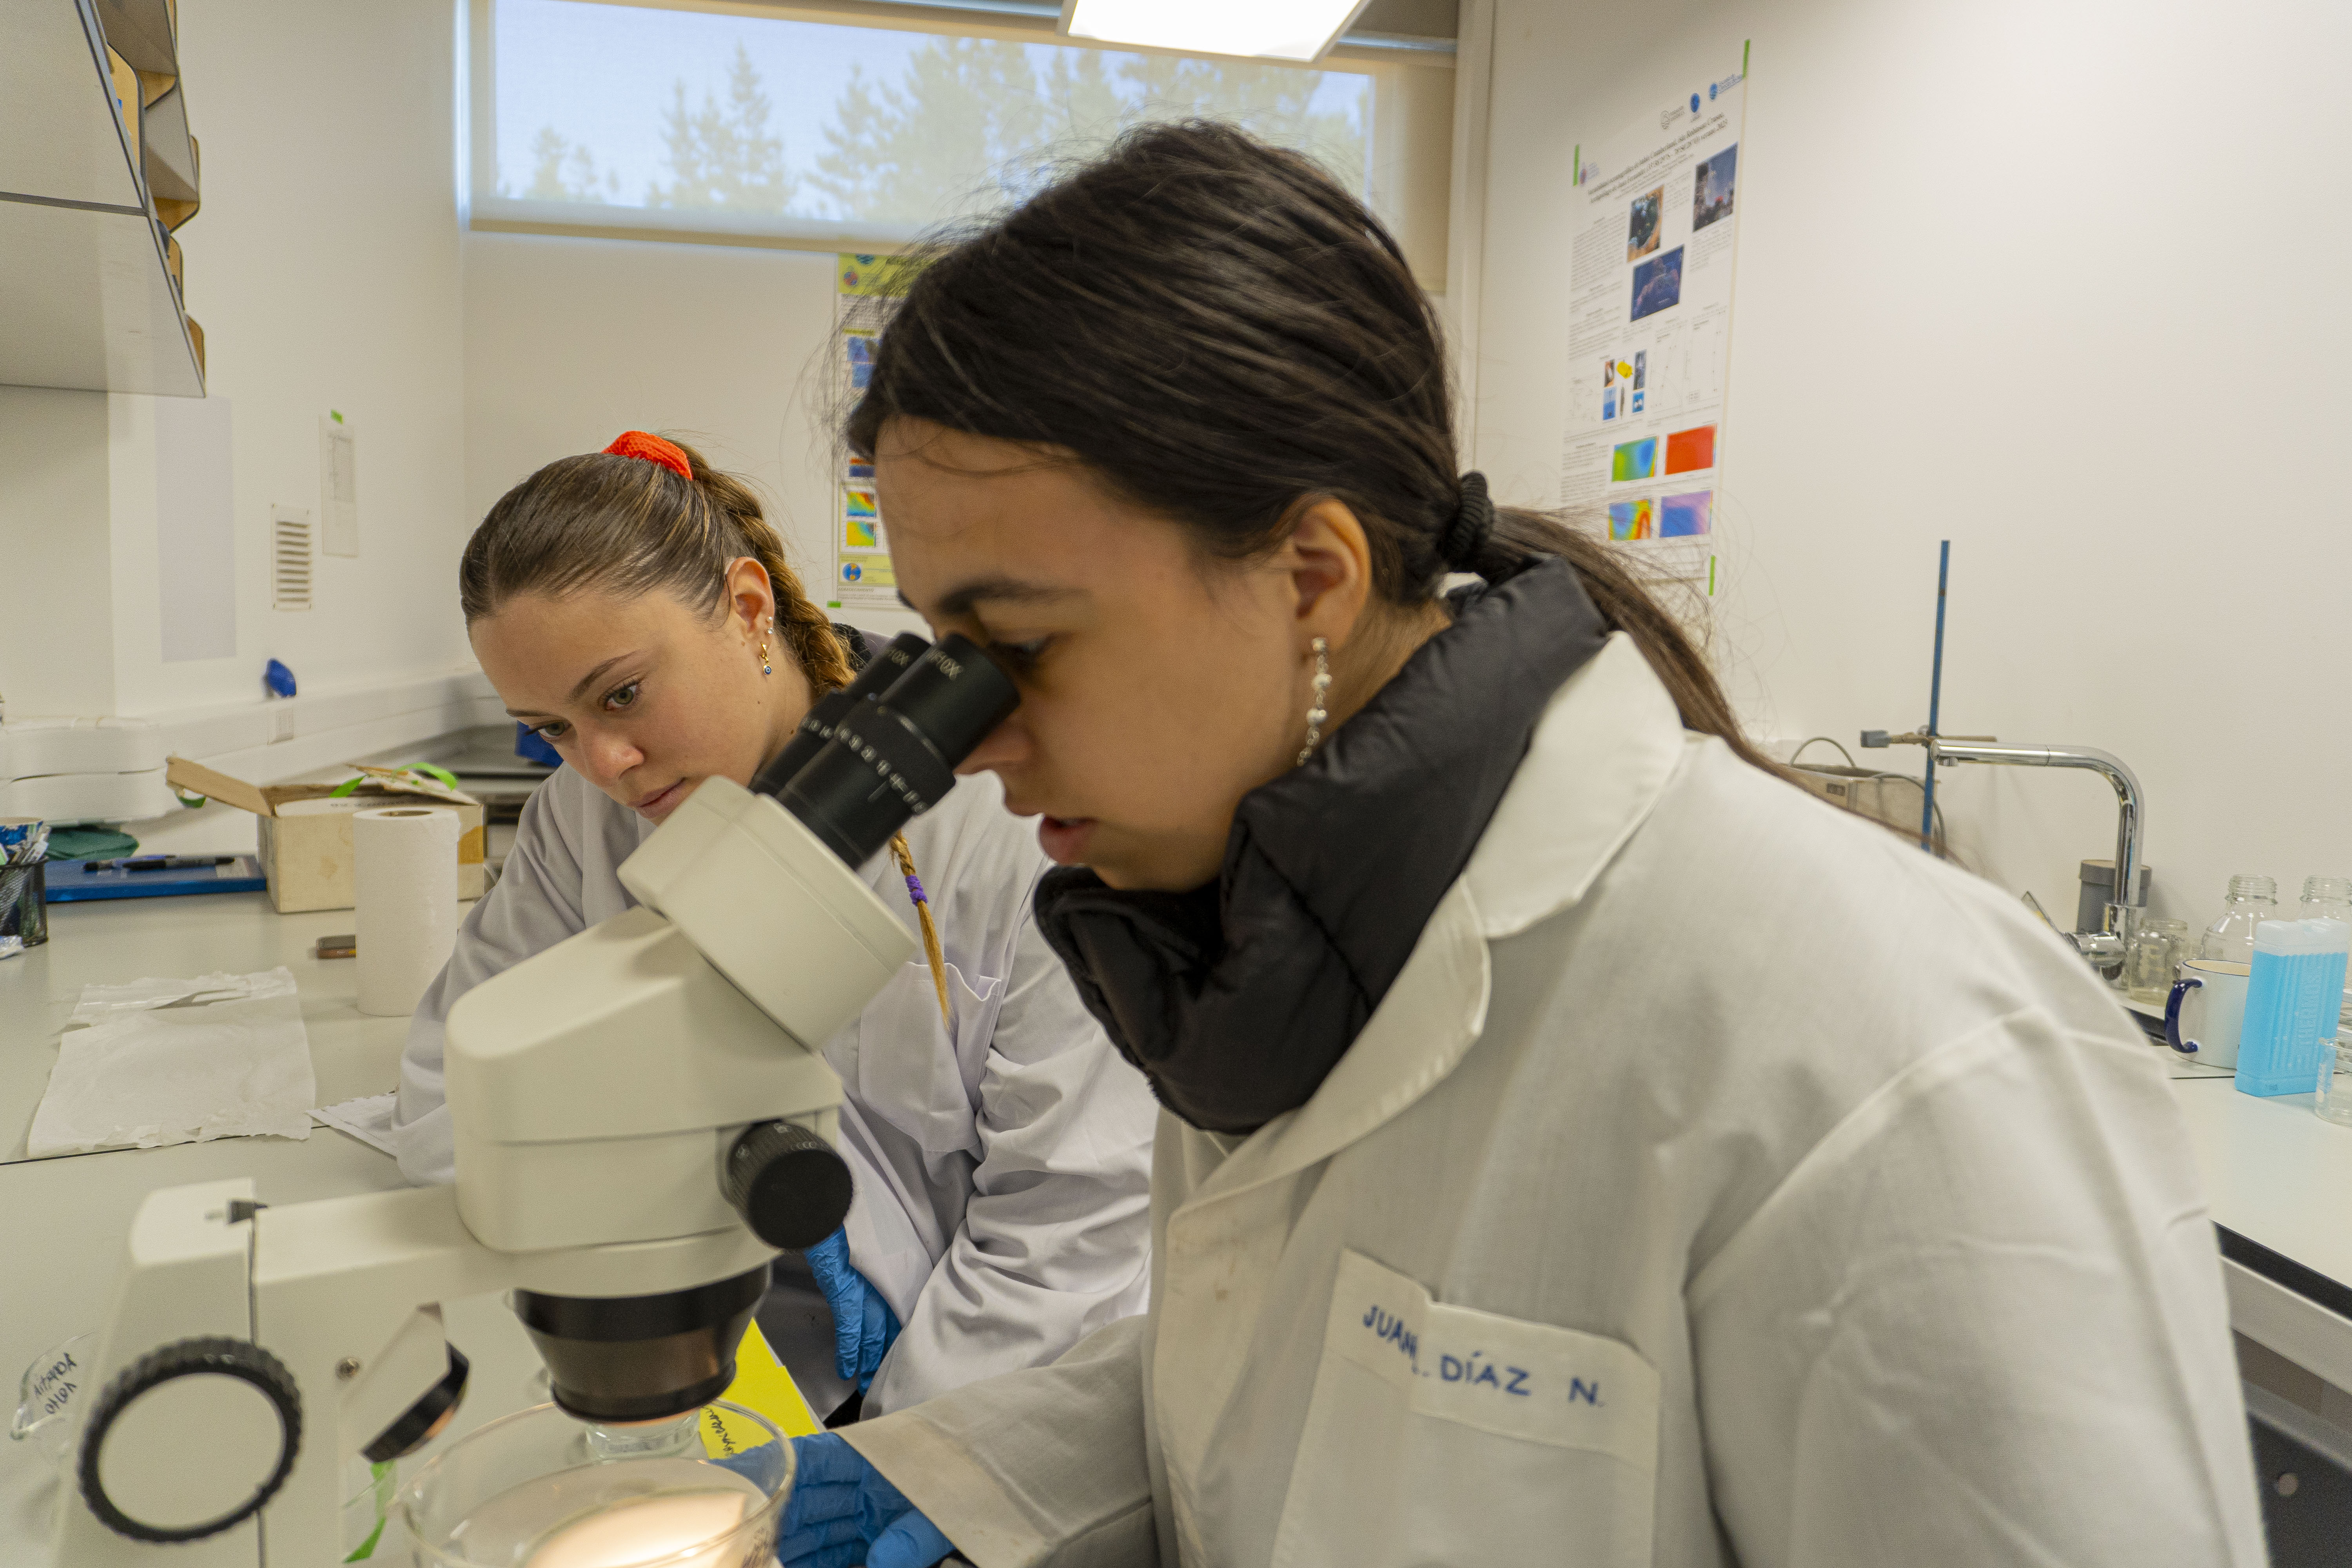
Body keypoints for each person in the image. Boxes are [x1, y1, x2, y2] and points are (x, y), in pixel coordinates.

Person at [774, 125, 2264, 1567]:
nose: (972, 741)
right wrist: (971, 1477)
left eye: (1020, 645)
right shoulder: (1259, 938)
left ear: (1311, 576)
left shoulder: (1893, 1053)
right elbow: (1308, 1361)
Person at [387, 431, 1158, 1419]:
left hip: (982, 1364)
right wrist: (669, 1215)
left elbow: (1071, 1219)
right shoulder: (579, 820)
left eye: (622, 694)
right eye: (553, 728)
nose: (604, 763)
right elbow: (451, 1094)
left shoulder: (1004, 823)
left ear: (749, 610)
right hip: (720, 1345)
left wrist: (901, 1451)